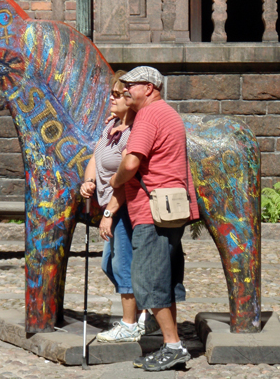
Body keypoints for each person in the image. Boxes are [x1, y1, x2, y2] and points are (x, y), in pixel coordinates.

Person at [108, 66, 200, 372]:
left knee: (148, 282)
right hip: (171, 209)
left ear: (150, 87)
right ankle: (168, 343)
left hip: (150, 212)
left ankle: (174, 346)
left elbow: (132, 162)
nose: (126, 91)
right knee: (165, 281)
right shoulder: (167, 113)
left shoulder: (148, 116)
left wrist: (116, 181)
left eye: (131, 86)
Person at [80, 70, 160, 343]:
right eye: (112, 93)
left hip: (123, 207)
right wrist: (89, 181)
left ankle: (130, 323)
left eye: (118, 95)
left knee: (122, 264)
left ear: (130, 100)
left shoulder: (132, 134)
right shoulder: (110, 126)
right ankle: (144, 315)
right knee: (108, 264)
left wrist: (108, 213)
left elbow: (128, 179)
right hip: (109, 204)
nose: (111, 98)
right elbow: (95, 155)